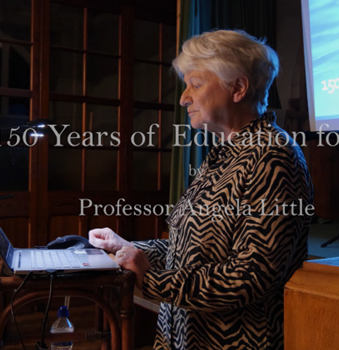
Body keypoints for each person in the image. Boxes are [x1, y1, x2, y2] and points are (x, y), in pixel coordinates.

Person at [89, 29, 314, 350]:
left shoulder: (273, 156)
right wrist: (127, 247)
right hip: (186, 335)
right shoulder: (226, 152)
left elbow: (250, 277)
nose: (183, 97)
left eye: (195, 84)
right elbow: (190, 251)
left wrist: (151, 278)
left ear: (237, 87)